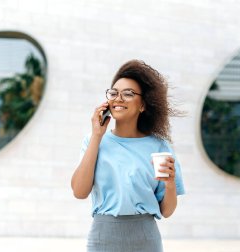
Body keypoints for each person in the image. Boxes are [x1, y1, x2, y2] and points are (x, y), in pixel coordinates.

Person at [71, 59, 185, 252]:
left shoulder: (159, 146)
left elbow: (167, 211)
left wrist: (170, 183)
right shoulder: (94, 141)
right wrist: (97, 135)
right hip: (103, 238)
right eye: (113, 93)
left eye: (128, 94)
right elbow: (79, 192)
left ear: (143, 105)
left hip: (146, 239)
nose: (118, 98)